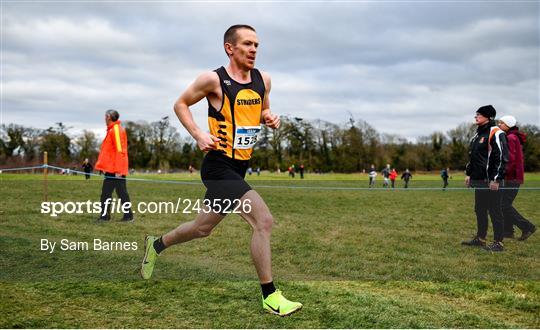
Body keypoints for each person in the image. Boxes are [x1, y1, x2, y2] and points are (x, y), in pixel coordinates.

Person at [140, 25, 302, 316]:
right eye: (247, 44)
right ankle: (270, 295)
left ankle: (156, 244)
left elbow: (263, 109)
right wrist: (198, 134)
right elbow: (180, 104)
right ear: (230, 48)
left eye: (257, 45)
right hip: (217, 166)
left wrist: (269, 117)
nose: (254, 50)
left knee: (202, 228)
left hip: (239, 167)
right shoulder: (213, 80)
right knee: (263, 221)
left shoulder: (263, 79)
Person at [462, 105, 508, 252]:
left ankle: (498, 243)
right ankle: (480, 239)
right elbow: (473, 157)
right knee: (480, 209)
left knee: (495, 211)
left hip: (492, 180)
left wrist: (496, 178)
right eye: (476, 114)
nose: (476, 117)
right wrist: (469, 174)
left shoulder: (496, 132)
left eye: (479, 115)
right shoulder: (477, 135)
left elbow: (500, 157)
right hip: (480, 180)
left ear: (488, 117)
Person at [498, 115, 536, 240]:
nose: (499, 125)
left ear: (508, 125)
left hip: (511, 177)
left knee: (503, 205)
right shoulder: (513, 136)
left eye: (501, 123)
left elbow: (510, 159)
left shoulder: (510, 137)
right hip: (513, 176)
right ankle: (508, 231)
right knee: (504, 204)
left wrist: (502, 173)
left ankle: (527, 227)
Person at [94, 109, 133, 222]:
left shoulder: (115, 130)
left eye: (105, 116)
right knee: (117, 193)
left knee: (109, 194)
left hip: (115, 170)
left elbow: (120, 151)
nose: (104, 119)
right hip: (112, 169)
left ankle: (106, 217)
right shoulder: (112, 130)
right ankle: (127, 216)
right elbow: (109, 152)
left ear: (108, 117)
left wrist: (118, 170)